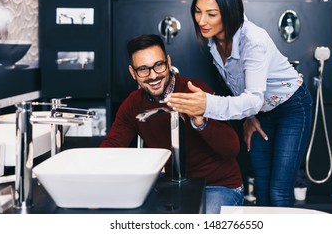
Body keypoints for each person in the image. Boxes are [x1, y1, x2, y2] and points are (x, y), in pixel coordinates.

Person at [163, 0, 313, 207]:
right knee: (261, 186)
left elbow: (252, 97)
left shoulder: (253, 41)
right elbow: (241, 87)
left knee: (278, 191)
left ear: (229, 11)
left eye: (211, 14)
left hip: (292, 106)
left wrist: (206, 105)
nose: (202, 20)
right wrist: (250, 116)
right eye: (197, 11)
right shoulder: (214, 41)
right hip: (261, 110)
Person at [100, 34, 243, 214]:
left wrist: (201, 121)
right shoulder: (133, 104)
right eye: (143, 69)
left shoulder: (194, 91)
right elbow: (112, 145)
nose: (153, 76)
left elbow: (231, 149)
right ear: (132, 72)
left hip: (217, 185)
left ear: (168, 62)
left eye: (158, 65)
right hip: (171, 186)